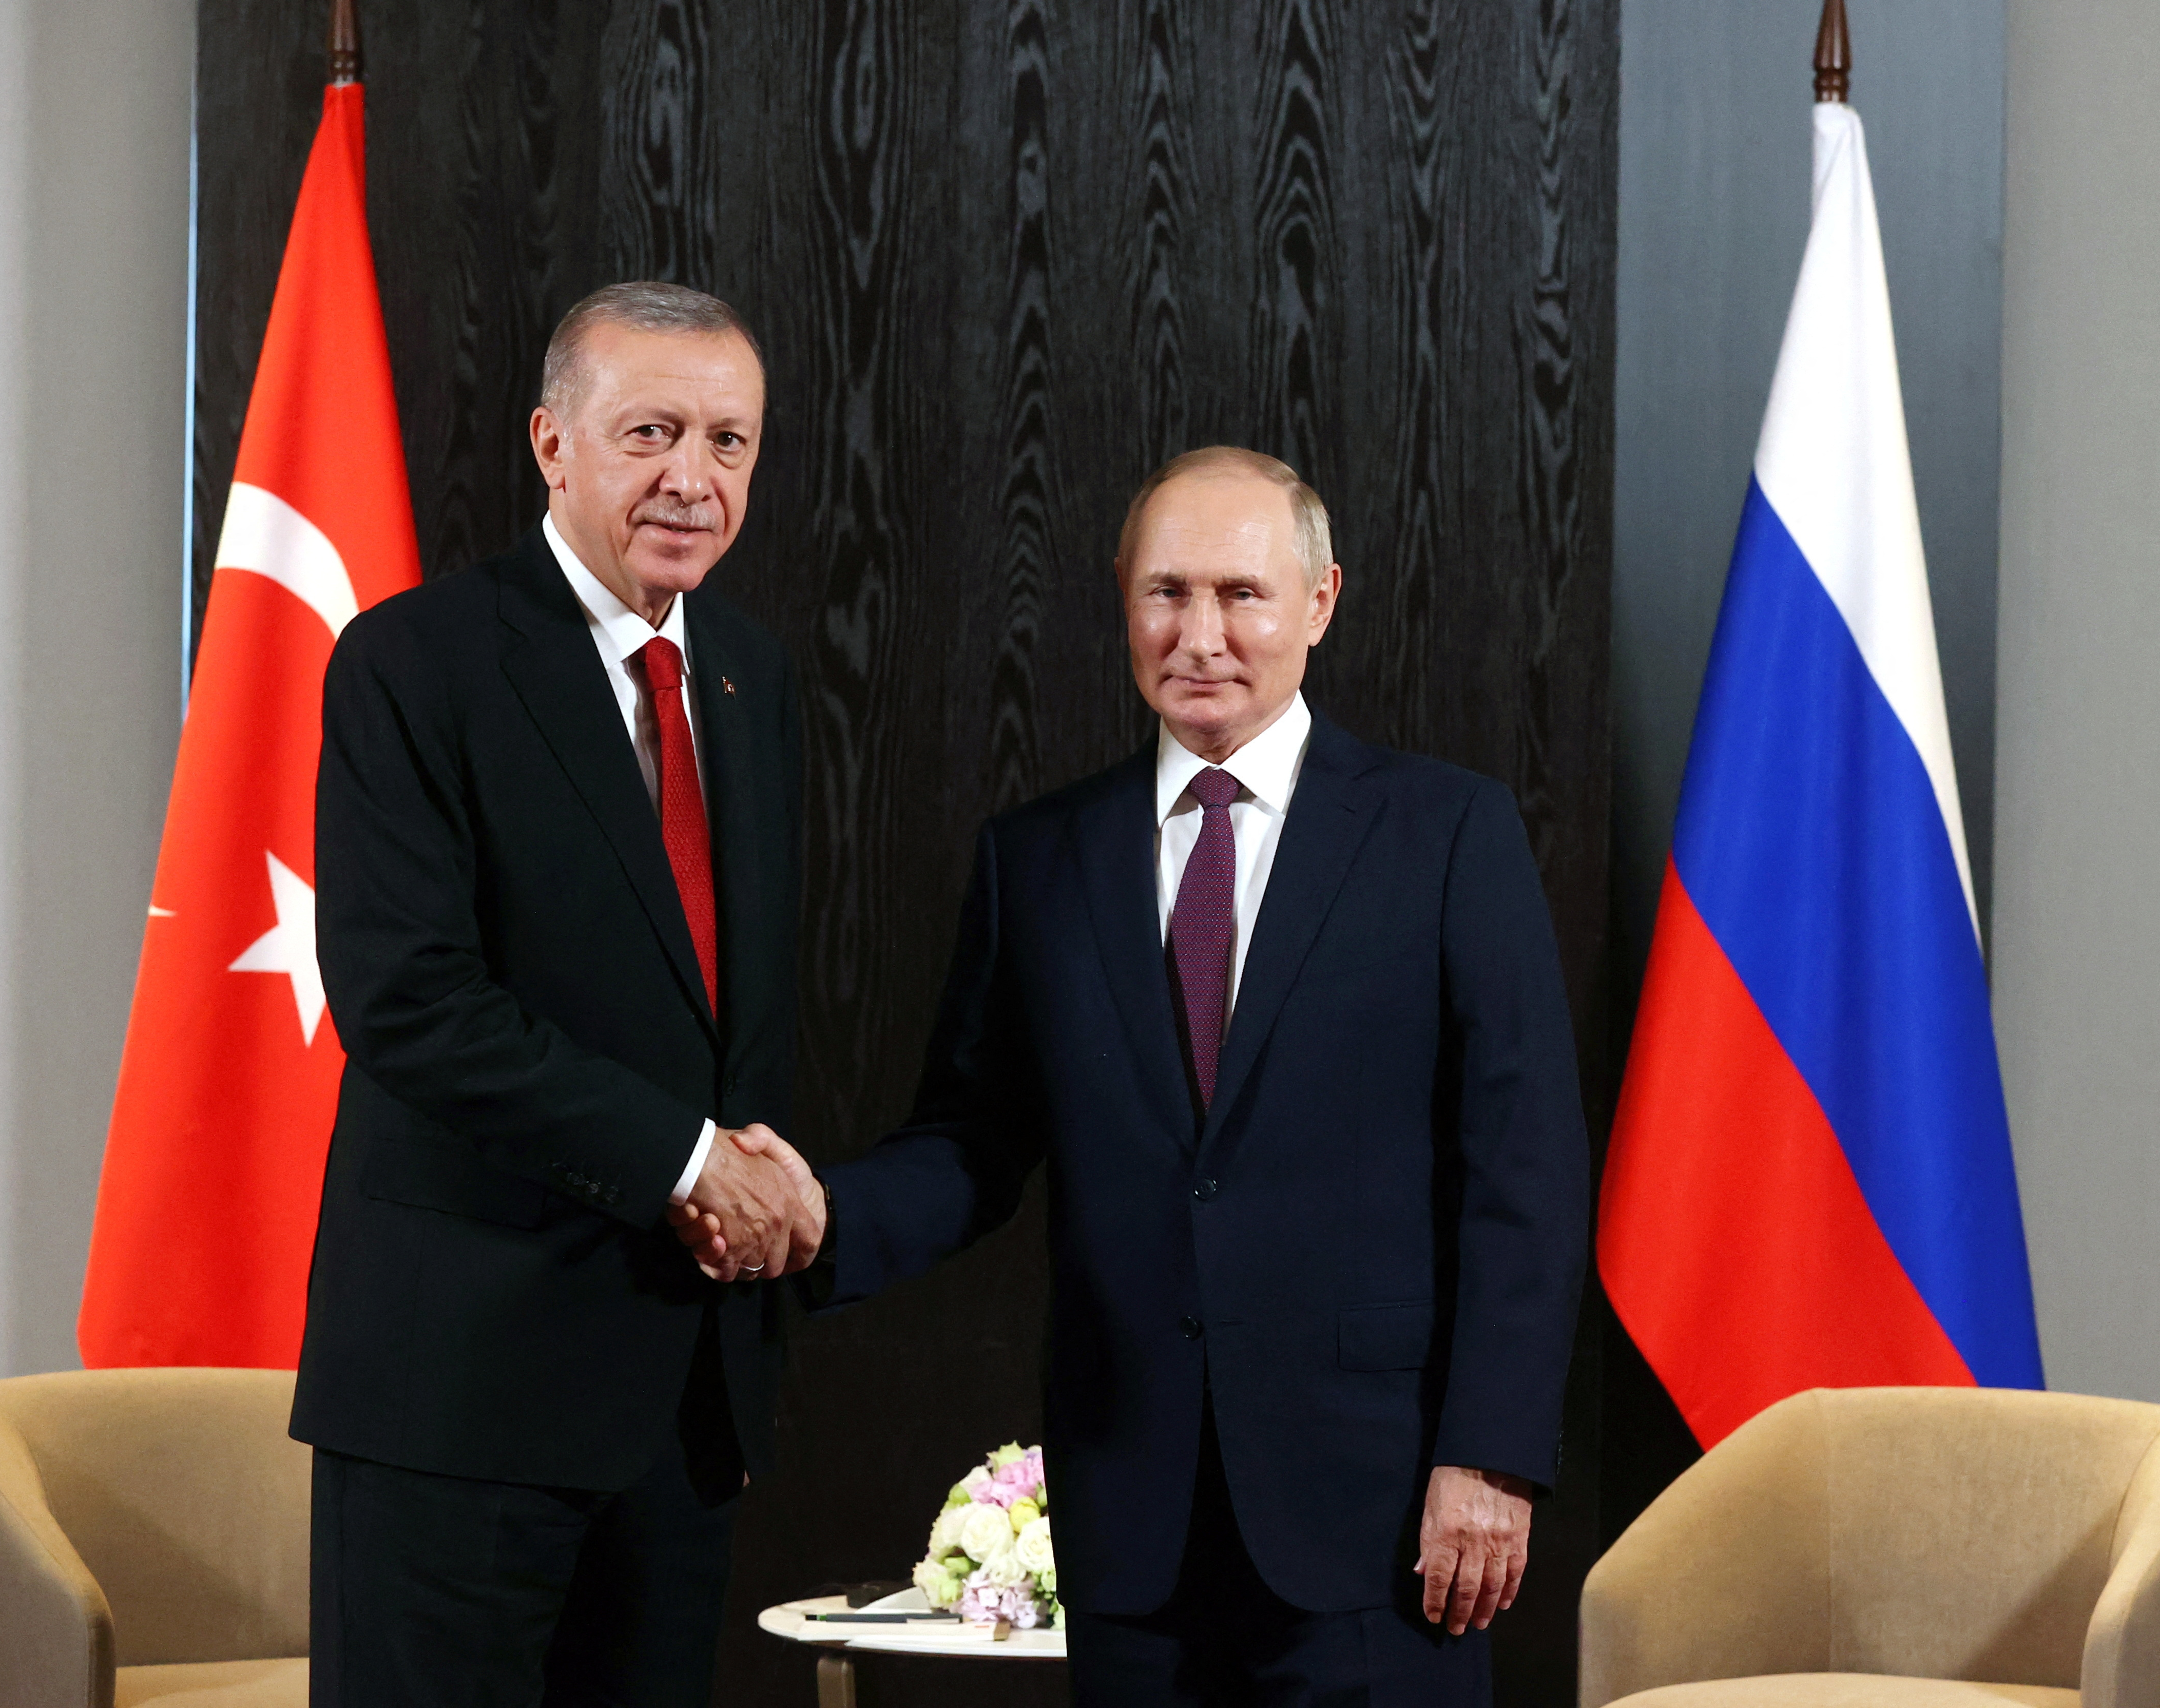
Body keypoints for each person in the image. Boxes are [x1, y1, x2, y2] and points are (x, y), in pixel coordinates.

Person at [682, 446, 1589, 1704]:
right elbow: (972, 1142)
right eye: (1165, 592)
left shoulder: (1446, 834)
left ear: (1319, 602)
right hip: (1132, 1523)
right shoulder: (1039, 860)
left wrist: (1487, 1458)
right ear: (1120, 597)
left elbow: (1524, 1174)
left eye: (1241, 594)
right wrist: (824, 1213)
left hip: (1378, 1520)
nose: (1199, 634)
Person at [294, 281, 825, 1708]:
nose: (691, 479)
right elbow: (410, 1003)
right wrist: (691, 1161)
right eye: (650, 431)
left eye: (729, 442)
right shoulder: (416, 664)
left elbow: (724, 1006)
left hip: (676, 1402)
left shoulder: (751, 679)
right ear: (552, 443)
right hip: (459, 1397)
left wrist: (755, 1174)